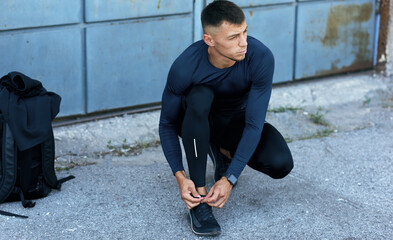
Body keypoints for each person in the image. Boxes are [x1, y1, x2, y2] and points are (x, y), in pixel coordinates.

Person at [159, 0, 293, 236]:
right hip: (195, 123)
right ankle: (198, 201)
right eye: (233, 37)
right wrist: (180, 176)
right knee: (200, 97)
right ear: (209, 40)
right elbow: (167, 124)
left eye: (245, 32)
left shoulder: (260, 57)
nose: (243, 43)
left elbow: (253, 124)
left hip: (234, 123)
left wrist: (230, 178)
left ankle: (223, 154)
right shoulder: (186, 66)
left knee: (281, 163)